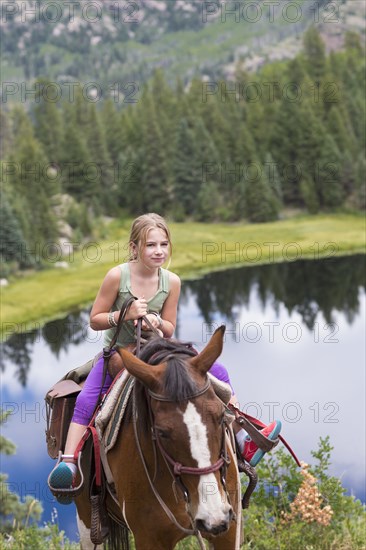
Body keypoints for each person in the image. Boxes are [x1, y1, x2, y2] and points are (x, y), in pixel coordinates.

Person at [49, 213, 281, 502]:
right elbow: (94, 320)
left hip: (159, 348)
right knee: (88, 398)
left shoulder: (171, 281)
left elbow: (170, 327)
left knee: (218, 372)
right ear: (134, 248)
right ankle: (69, 461)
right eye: (150, 245)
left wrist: (158, 323)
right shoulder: (116, 277)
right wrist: (124, 314)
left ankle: (242, 434)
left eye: (163, 244)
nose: (158, 251)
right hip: (119, 353)